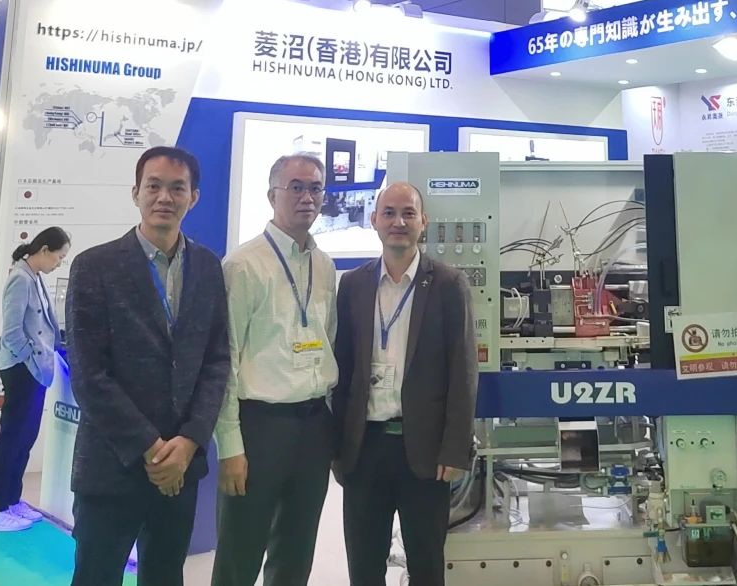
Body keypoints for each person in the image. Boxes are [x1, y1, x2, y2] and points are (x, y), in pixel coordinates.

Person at [66, 146, 229, 586]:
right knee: (96, 576)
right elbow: (89, 375)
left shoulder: (208, 267)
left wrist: (190, 441)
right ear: (135, 192)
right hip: (112, 465)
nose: (164, 197)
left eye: (177, 188)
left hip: (181, 467)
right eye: (153, 186)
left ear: (194, 197)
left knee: (165, 576)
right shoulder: (94, 266)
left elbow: (216, 361)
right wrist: (152, 448)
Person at [334, 181, 478, 586]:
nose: (398, 222)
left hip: (426, 453)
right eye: (389, 213)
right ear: (374, 220)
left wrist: (455, 448)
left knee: (427, 566)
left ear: (423, 222)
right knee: (364, 567)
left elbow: (463, 372)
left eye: (408, 213)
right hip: (364, 449)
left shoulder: (448, 284)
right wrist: (337, 448)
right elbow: (342, 369)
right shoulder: (353, 285)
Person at [212, 154, 339, 586]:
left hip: (314, 425)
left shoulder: (325, 266)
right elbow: (225, 360)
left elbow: (326, 343)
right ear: (272, 195)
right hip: (259, 427)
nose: (307, 197)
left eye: (316, 188)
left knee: (296, 551)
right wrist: (230, 446)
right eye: (296, 187)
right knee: (240, 551)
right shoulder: (243, 265)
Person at [0, 227, 71, 532]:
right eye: (58, 257)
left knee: (25, 437)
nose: (59, 263)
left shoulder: (34, 277)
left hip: (34, 369)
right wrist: (32, 361)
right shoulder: (20, 278)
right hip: (22, 369)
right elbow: (12, 332)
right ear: (44, 250)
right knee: (12, 437)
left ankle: (11, 500)